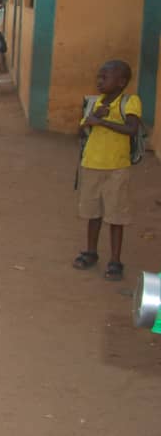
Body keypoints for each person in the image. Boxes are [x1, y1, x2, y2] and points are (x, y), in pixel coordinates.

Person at [73, 60, 142, 282]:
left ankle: (115, 260)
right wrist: (94, 119)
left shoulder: (130, 102)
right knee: (93, 214)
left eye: (105, 78)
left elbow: (132, 129)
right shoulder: (97, 103)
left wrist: (102, 122)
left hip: (116, 169)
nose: (99, 81)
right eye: (99, 78)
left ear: (121, 82)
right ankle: (91, 252)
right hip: (92, 164)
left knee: (116, 216)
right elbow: (82, 128)